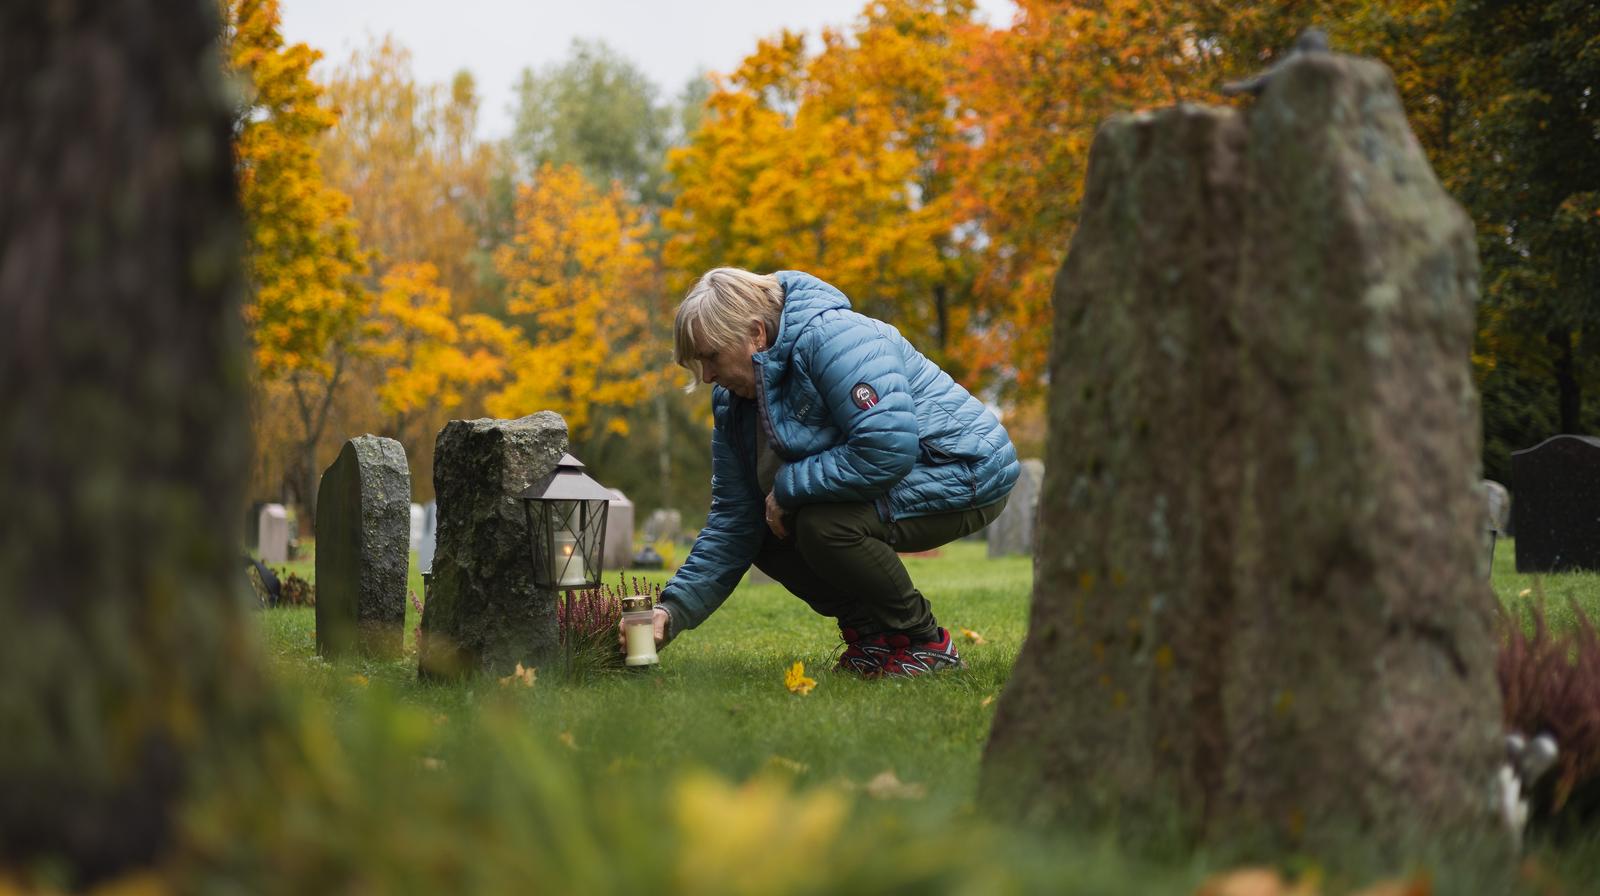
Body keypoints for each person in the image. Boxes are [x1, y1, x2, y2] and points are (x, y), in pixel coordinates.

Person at [634, 268, 1019, 677]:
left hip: (964, 468)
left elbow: (886, 446)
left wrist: (787, 489)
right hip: (905, 476)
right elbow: (734, 516)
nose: (708, 375)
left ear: (756, 334)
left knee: (824, 523)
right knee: (764, 530)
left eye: (711, 356)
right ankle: (872, 636)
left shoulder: (836, 339)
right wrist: (671, 611)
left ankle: (923, 642)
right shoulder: (733, 401)